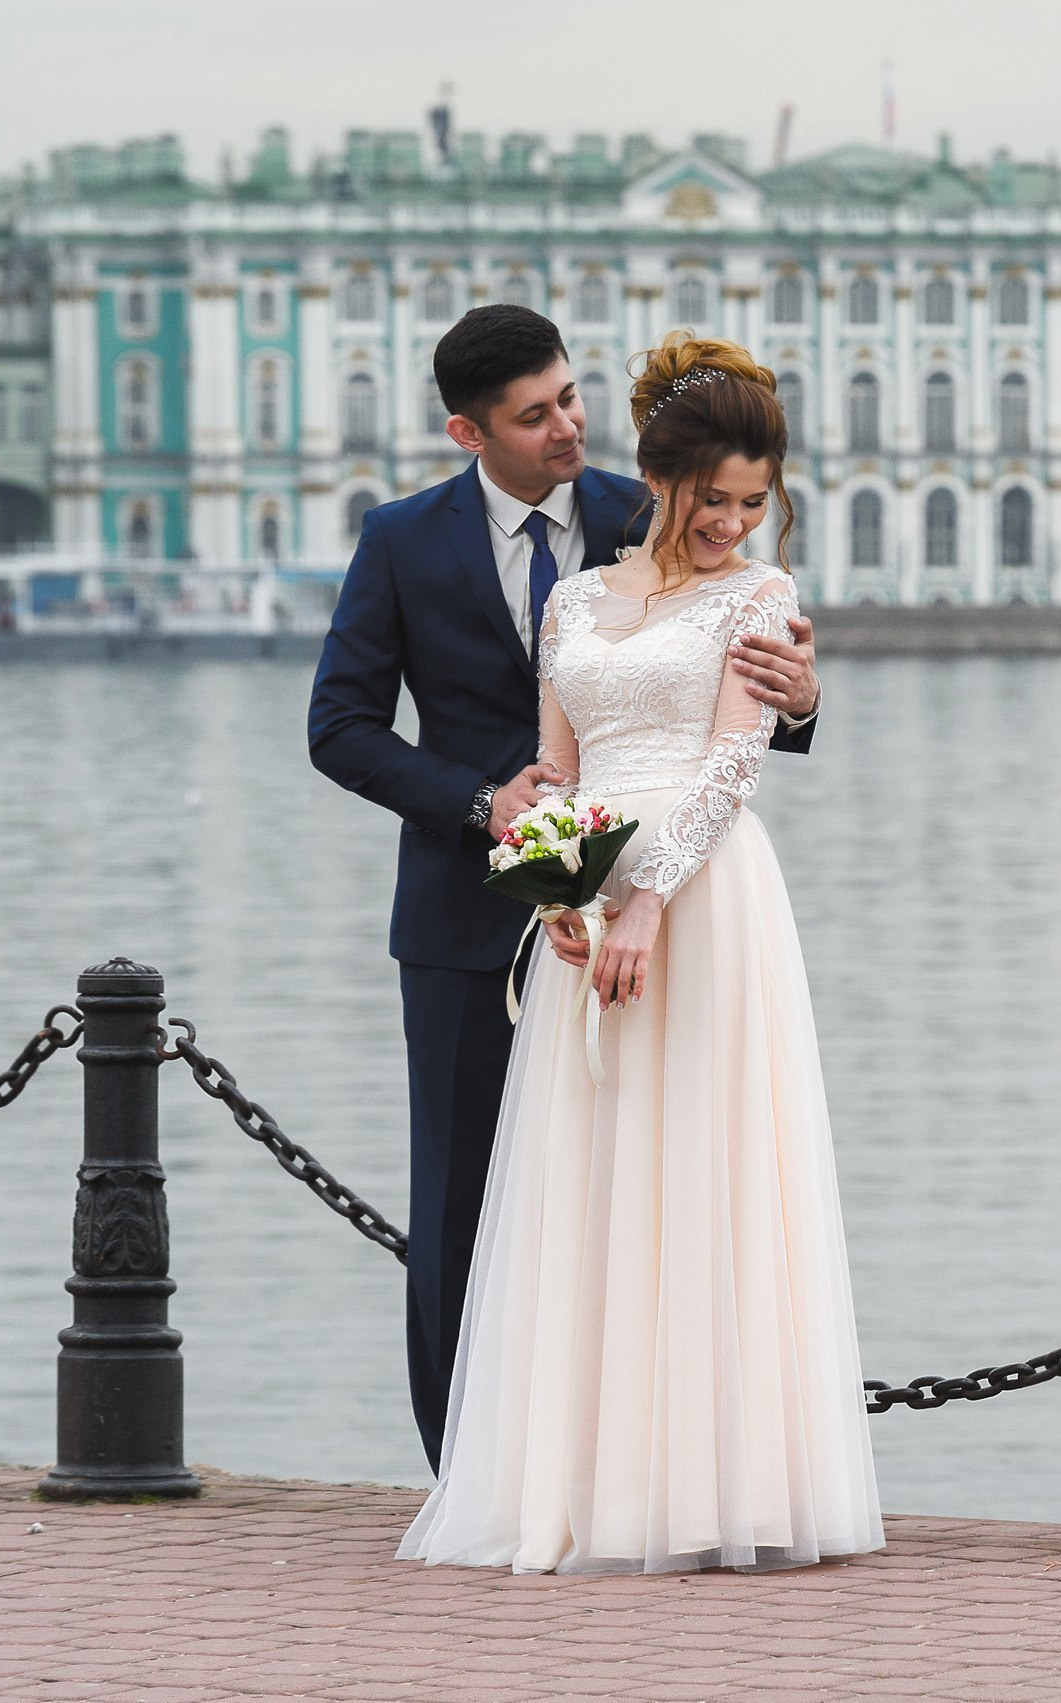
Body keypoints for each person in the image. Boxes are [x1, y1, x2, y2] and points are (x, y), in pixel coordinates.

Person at [306, 306, 822, 1471]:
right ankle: (468, 1473)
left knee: (641, 1189)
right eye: (535, 415)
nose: (566, 427)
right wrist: (480, 802)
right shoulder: (398, 540)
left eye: (572, 397)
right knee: (452, 1207)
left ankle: (639, 1461)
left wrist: (801, 693)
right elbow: (337, 729)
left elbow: (727, 700)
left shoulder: (653, 504)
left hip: (666, 904)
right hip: (458, 917)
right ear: (465, 430)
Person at [398, 334, 882, 1573]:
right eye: (710, 499)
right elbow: (551, 767)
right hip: (575, 907)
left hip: (706, 904)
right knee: (591, 1182)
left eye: (751, 504)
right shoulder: (566, 594)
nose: (728, 520)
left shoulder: (757, 591)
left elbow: (736, 757)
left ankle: (718, 1483)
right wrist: (551, 883)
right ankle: (574, 1479)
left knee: (710, 1177)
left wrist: (655, 896)